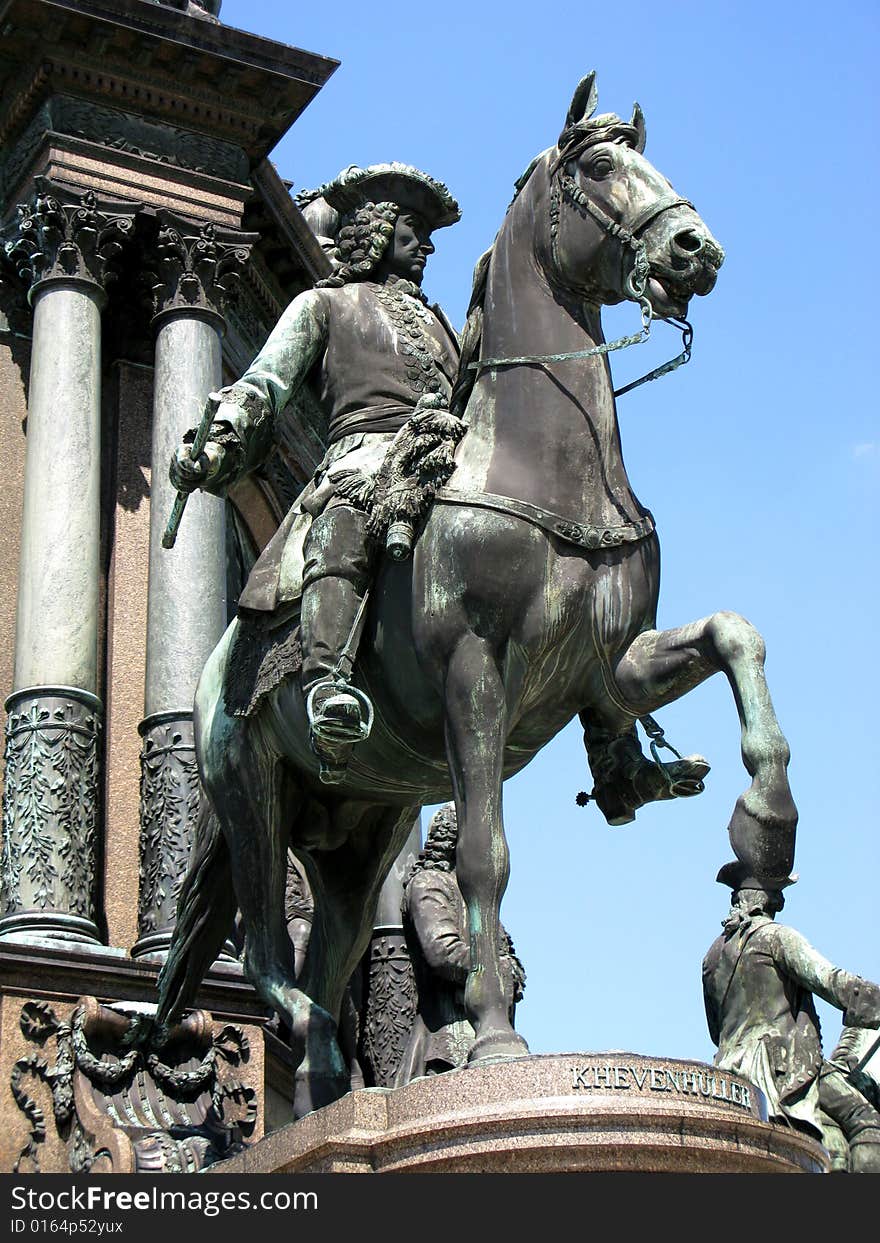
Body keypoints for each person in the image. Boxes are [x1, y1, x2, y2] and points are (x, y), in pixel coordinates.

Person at [169, 163, 461, 780]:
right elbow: (263, 383)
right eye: (415, 232)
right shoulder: (321, 305)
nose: (428, 247)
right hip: (364, 453)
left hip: (443, 452)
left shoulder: (441, 326)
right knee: (344, 520)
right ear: (378, 234)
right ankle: (328, 682)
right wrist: (217, 439)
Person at [702, 863, 880, 1171]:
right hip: (785, 1071)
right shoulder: (777, 938)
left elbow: (716, 1030)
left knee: (831, 1135)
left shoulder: (712, 956)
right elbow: (830, 981)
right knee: (866, 1121)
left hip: (730, 1073)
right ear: (767, 899)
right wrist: (872, 1001)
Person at [394, 804, 525, 1084]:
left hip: (484, 1038)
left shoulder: (478, 900)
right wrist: (498, 966)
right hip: (444, 1045)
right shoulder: (430, 884)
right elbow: (442, 952)